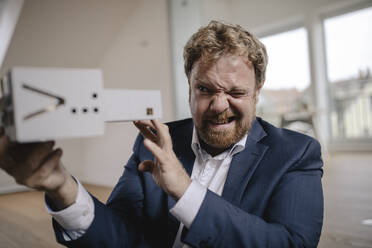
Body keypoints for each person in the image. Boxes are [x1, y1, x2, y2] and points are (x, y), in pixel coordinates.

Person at [0, 20, 323, 247]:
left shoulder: (296, 153)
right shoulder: (152, 144)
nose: (218, 104)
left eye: (236, 92)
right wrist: (61, 186)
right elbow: (119, 237)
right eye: (204, 88)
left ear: (256, 92)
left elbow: (291, 243)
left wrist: (184, 190)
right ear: (189, 87)